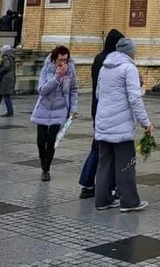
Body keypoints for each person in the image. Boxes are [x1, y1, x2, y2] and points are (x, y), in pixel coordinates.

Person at [94, 37, 153, 212]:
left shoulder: (104, 68)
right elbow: (135, 99)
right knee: (126, 164)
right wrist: (146, 123)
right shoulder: (129, 69)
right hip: (121, 125)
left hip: (103, 121)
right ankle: (129, 201)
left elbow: (98, 94)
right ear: (130, 52)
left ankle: (102, 200)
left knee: (104, 163)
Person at [78, 29, 123, 198]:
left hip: (97, 108)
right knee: (105, 149)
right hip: (108, 110)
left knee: (99, 146)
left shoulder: (98, 58)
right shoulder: (110, 61)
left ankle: (90, 184)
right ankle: (103, 186)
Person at [30, 45, 78, 181]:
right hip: (44, 108)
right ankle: (42, 160)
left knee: (52, 140)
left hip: (60, 109)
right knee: (41, 140)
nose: (63, 63)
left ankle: (46, 169)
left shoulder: (70, 71)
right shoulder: (47, 69)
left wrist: (73, 108)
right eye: (60, 60)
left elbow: (73, 90)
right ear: (54, 59)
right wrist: (57, 78)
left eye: (66, 60)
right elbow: (42, 90)